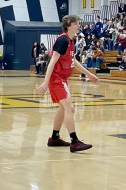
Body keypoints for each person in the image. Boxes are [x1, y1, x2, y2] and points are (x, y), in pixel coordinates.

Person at [37, 15, 99, 153]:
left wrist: (88, 74)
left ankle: (54, 137)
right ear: (69, 24)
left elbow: (73, 61)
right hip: (56, 79)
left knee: (63, 109)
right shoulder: (63, 40)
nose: (79, 25)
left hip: (61, 79)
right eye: (77, 23)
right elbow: (52, 61)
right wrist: (46, 82)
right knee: (69, 107)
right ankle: (74, 141)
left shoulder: (71, 40)